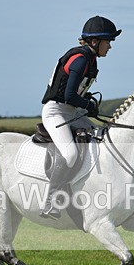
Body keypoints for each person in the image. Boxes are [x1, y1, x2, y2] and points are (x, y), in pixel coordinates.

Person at [39, 15, 121, 218]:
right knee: (71, 154)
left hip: (71, 112)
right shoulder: (80, 59)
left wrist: (86, 104)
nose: (110, 46)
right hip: (56, 112)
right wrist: (88, 105)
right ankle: (51, 202)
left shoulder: (90, 59)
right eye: (108, 42)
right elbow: (69, 95)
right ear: (95, 42)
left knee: (101, 138)